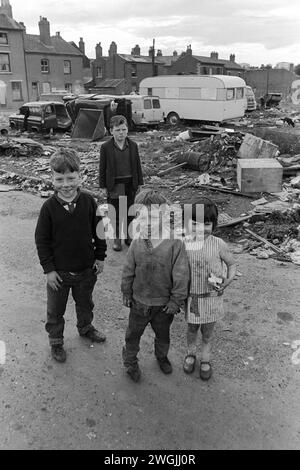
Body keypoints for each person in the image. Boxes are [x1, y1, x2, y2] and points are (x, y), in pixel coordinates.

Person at [35, 148, 107, 363]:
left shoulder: (88, 202)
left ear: (80, 176)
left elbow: (99, 231)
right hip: (59, 275)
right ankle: (56, 341)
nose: (65, 184)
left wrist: (100, 257)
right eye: (59, 179)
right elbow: (42, 241)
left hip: (86, 270)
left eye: (71, 178)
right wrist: (49, 270)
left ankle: (85, 327)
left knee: (85, 304)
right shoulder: (48, 208)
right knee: (55, 311)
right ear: (52, 178)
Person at [121, 189, 190, 382]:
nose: (147, 223)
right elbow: (128, 270)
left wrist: (176, 300)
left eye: (153, 217)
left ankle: (161, 356)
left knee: (163, 334)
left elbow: (181, 275)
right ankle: (130, 361)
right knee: (133, 334)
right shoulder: (136, 243)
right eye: (142, 218)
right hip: (138, 302)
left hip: (163, 305)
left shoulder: (175, 244)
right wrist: (126, 292)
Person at [182, 197, 236, 380]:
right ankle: (190, 354)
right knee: (191, 330)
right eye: (195, 223)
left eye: (206, 224)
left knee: (207, 332)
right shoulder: (185, 243)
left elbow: (232, 264)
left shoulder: (219, 244)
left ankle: (205, 359)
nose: (201, 229)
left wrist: (228, 281)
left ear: (214, 224)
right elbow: (178, 270)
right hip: (193, 298)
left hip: (212, 297)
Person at [99, 115, 143, 252]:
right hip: (115, 185)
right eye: (118, 130)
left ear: (127, 130)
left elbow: (137, 165)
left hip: (130, 183)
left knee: (130, 212)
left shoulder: (133, 146)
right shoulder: (106, 147)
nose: (121, 133)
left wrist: (140, 183)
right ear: (111, 130)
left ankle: (128, 236)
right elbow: (102, 167)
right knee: (116, 213)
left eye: (124, 129)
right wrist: (103, 186)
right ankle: (117, 238)